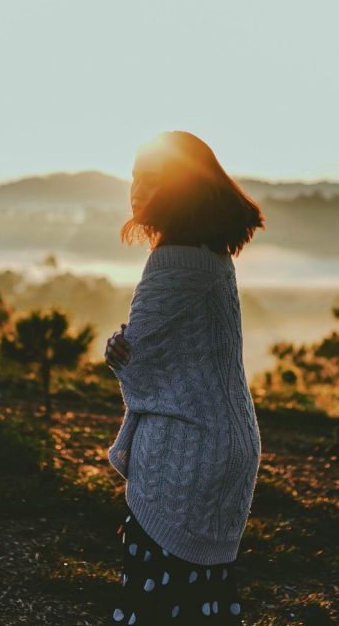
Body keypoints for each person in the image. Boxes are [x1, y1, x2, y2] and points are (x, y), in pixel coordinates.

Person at [101, 130, 265, 624]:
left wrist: (119, 355)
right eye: (133, 175)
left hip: (185, 452)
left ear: (180, 190)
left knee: (156, 605)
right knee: (202, 605)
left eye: (150, 179)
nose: (136, 188)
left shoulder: (171, 261)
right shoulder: (213, 256)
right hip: (231, 442)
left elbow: (143, 363)